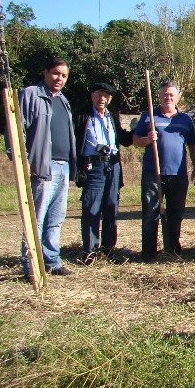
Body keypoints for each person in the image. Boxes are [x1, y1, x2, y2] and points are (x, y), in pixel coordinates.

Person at [14, 58, 77, 280]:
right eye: (55, 73)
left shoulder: (63, 100)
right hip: (42, 166)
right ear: (45, 72)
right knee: (37, 217)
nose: (59, 78)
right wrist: (21, 161)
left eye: (64, 75)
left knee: (55, 217)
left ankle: (51, 260)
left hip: (63, 166)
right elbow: (16, 130)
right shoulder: (30, 95)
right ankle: (31, 264)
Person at [132, 80, 195, 259]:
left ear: (177, 97)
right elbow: (135, 140)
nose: (168, 97)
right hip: (153, 174)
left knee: (176, 214)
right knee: (150, 213)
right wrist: (147, 139)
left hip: (178, 175)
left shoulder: (185, 119)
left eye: (171, 95)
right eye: (164, 94)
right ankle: (148, 253)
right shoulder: (149, 116)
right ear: (159, 96)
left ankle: (172, 249)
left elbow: (193, 145)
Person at [74, 82, 133, 265]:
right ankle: (89, 252)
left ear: (110, 99)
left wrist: (145, 135)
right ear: (92, 95)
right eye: (99, 94)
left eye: (106, 95)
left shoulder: (111, 116)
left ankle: (109, 251)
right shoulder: (82, 115)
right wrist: (79, 167)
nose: (102, 98)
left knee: (111, 207)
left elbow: (123, 138)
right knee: (91, 208)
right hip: (94, 167)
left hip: (113, 165)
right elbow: (74, 140)